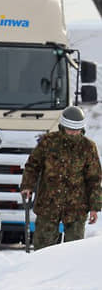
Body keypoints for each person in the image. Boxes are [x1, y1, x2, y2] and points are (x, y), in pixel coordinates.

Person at [20, 106, 102, 250]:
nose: (73, 133)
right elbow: (33, 165)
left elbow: (94, 178)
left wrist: (94, 207)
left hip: (76, 207)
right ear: (63, 126)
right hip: (48, 204)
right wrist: (28, 185)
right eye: (70, 129)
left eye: (76, 130)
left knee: (74, 251)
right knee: (43, 250)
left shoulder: (88, 147)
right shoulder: (48, 142)